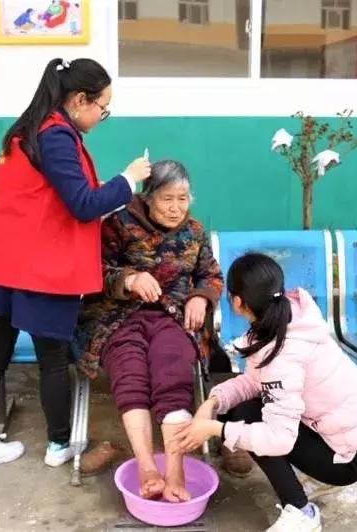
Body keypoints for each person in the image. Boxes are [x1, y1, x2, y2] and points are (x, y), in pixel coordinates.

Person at [0, 57, 152, 475]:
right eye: (103, 108)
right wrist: (128, 179)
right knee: (52, 359)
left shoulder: (29, 130)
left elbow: (55, 199)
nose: (103, 117)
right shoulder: (56, 137)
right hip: (38, 271)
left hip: (2, 265)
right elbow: (82, 204)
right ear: (80, 99)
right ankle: (58, 445)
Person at [177, 253, 357, 531]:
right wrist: (213, 402)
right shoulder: (287, 317)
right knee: (245, 408)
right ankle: (304, 488)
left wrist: (217, 429)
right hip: (348, 436)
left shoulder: (283, 353)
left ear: (237, 302)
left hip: (348, 459)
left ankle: (302, 512)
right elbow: (254, 381)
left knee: (250, 418)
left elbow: (278, 440)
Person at [74, 160, 223, 502]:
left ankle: (175, 470)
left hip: (173, 317)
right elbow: (94, 269)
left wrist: (201, 298)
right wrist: (129, 279)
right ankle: (145, 466)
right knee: (130, 372)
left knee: (172, 371)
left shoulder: (195, 232)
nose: (176, 208)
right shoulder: (118, 224)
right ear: (148, 196)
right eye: (167, 198)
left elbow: (211, 276)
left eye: (183, 199)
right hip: (117, 316)